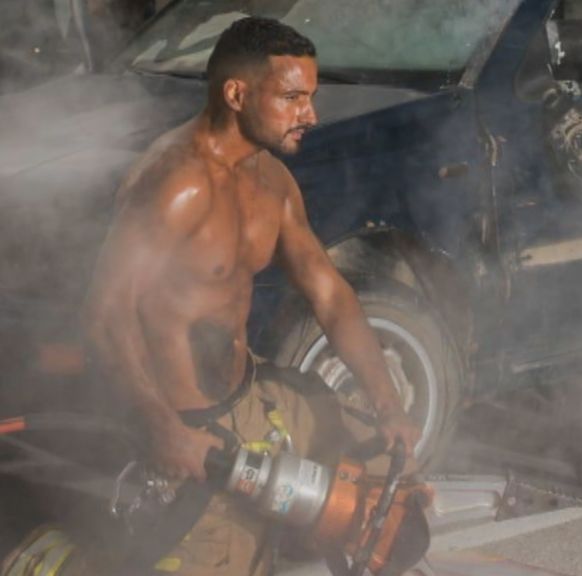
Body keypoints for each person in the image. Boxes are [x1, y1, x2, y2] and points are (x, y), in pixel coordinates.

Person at [4, 16, 421, 576]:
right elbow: (105, 316)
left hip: (248, 395)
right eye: (293, 98)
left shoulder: (272, 181)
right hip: (186, 428)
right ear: (236, 94)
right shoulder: (176, 184)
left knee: (387, 490)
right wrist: (162, 428)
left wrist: (389, 405)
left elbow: (331, 294)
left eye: (311, 97)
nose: (311, 115)